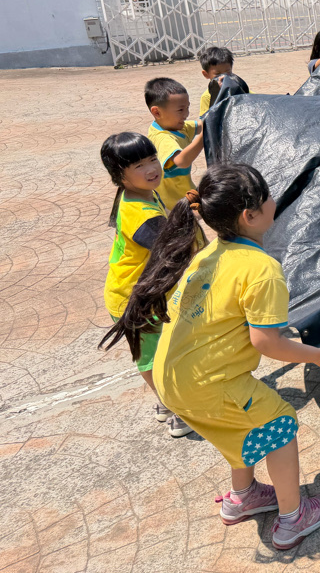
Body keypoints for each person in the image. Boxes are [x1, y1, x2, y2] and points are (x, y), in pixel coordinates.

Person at [114, 162, 320, 549]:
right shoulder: (262, 269)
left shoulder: (210, 252)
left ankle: (243, 497)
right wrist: (318, 355)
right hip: (208, 385)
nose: (275, 199)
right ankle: (293, 518)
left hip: (175, 378)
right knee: (278, 424)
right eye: (268, 195)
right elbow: (267, 342)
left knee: (242, 425)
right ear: (250, 215)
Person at [98, 132, 192, 438]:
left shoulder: (138, 193)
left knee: (156, 352)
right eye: (139, 165)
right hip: (135, 299)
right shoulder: (142, 215)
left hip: (137, 292)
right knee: (153, 358)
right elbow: (174, 251)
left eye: (152, 159)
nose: (151, 169)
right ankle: (176, 410)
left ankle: (166, 403)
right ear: (119, 175)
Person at [146, 78, 204, 210]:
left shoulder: (176, 126)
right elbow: (181, 161)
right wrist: (202, 139)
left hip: (185, 195)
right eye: (180, 110)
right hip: (173, 205)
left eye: (187, 108)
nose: (186, 114)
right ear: (157, 112)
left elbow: (202, 125)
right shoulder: (163, 138)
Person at [197, 47, 235, 116]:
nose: (223, 77)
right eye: (218, 74)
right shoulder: (207, 97)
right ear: (206, 74)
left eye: (228, 72)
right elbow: (205, 119)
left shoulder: (237, 88)